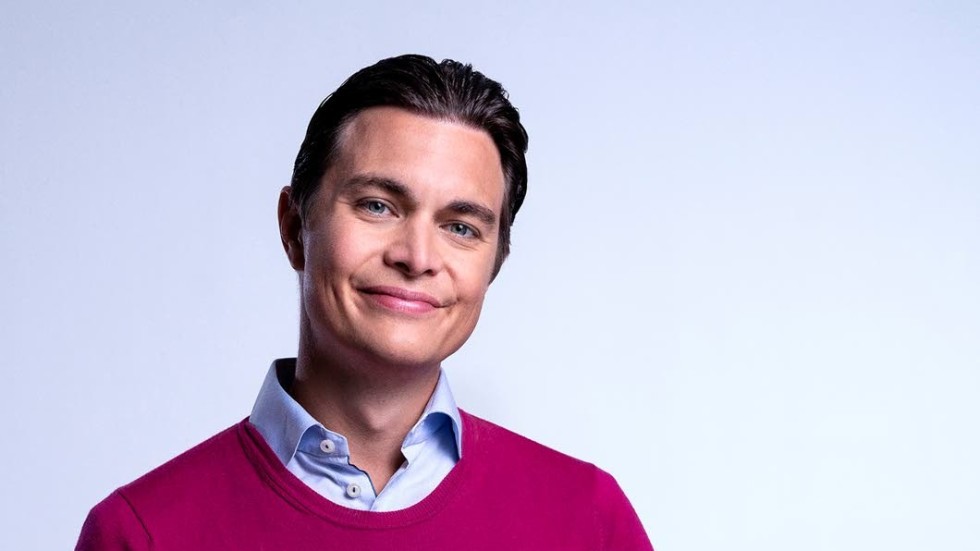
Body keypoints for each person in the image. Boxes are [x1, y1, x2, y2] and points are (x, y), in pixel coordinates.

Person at [76, 54, 653, 550]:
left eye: (461, 227)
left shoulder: (588, 520)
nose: (417, 257)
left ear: (494, 264)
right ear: (294, 228)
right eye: (378, 205)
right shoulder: (141, 533)